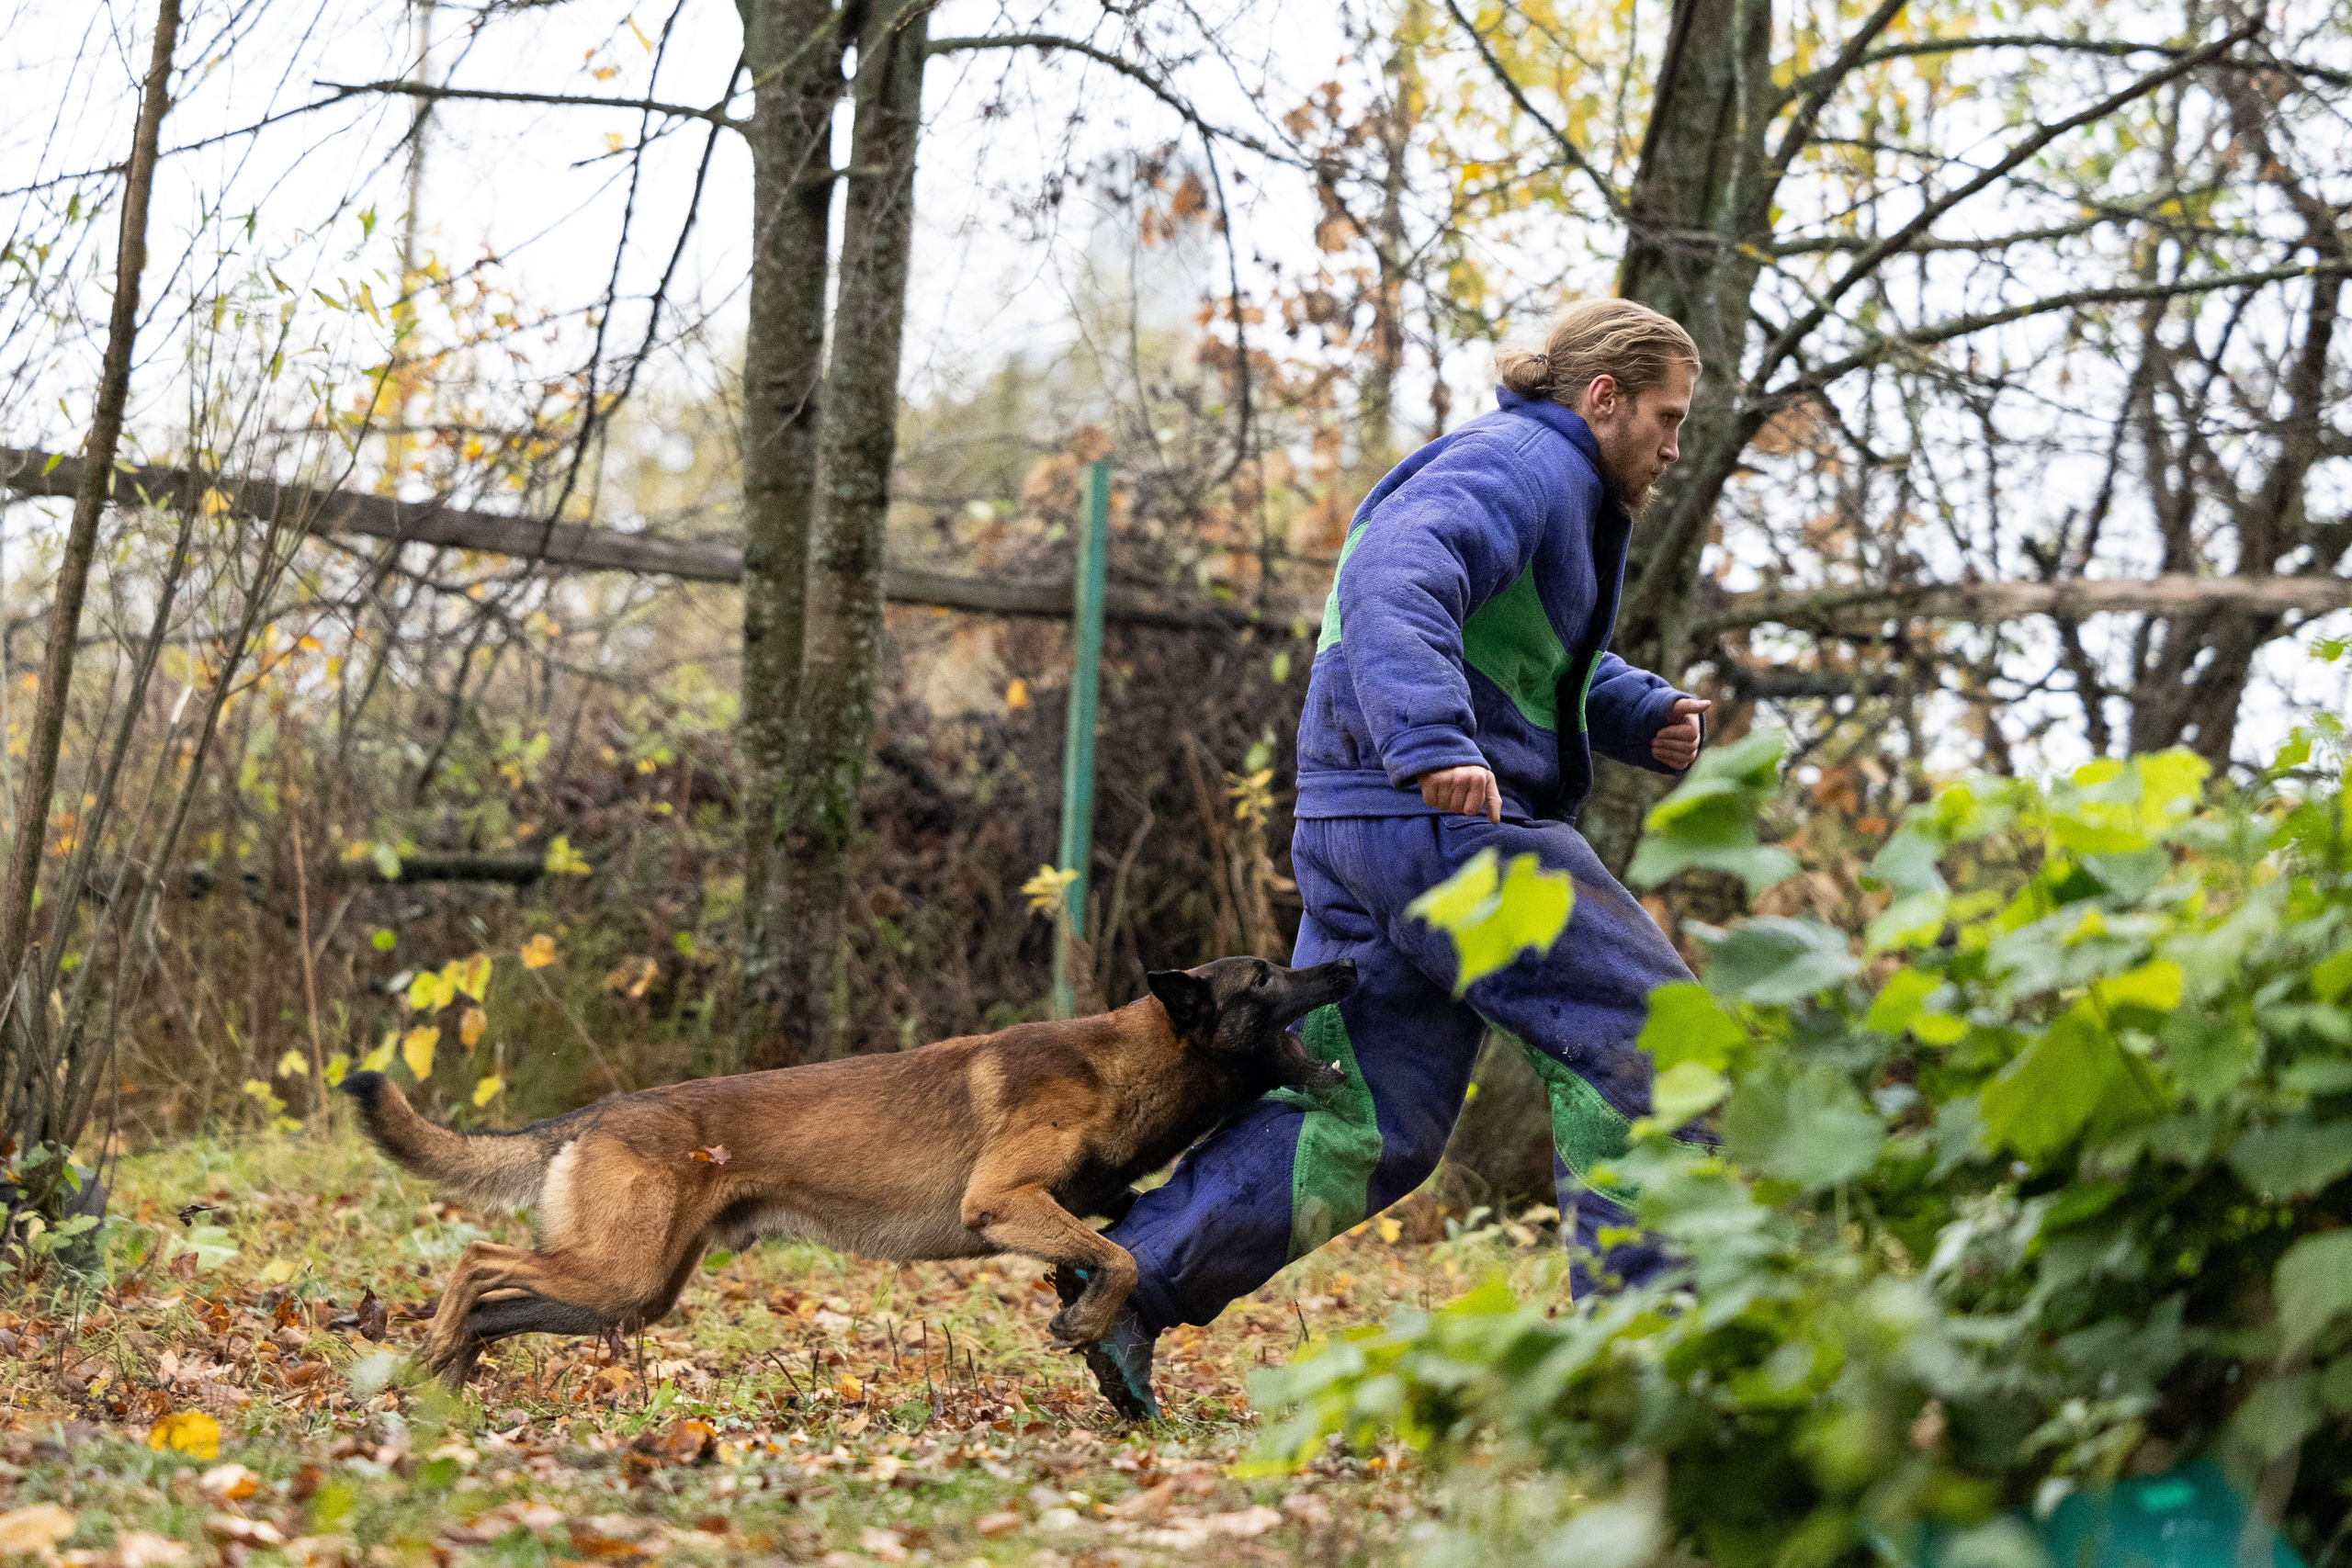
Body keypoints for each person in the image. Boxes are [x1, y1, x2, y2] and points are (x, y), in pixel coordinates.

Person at [1070, 299, 1711, 1420]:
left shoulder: (1528, 477)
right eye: (1666, 417)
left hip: (1359, 824)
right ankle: (1650, 1371)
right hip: (1443, 820)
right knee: (1654, 1043)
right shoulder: (1526, 463)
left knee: (1364, 1115)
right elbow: (1393, 582)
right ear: (1601, 398)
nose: (1672, 445)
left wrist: (1636, 712)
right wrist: (1431, 744)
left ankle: (1131, 1274)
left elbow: (1513, 654)